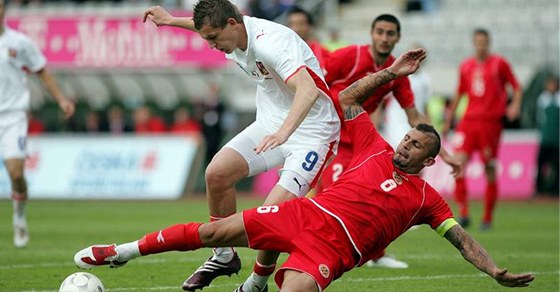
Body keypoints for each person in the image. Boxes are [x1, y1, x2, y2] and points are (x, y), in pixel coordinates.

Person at [74, 48, 535, 292]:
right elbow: (347, 98)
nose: (406, 144)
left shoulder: (427, 201)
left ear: (429, 161)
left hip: (333, 251)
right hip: (304, 215)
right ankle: (121, 251)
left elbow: (461, 240)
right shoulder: (374, 145)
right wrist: (392, 74)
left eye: (416, 146)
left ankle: (258, 283)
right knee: (215, 235)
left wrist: (492, 270)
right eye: (408, 137)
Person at [143, 1, 340, 291]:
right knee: (217, 174)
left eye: (213, 39)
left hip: (312, 134)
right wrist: (171, 20)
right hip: (272, 124)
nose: (211, 45)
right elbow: (207, 27)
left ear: (233, 25)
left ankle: (257, 283)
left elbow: (308, 89)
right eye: (207, 38)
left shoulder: (271, 43)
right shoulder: (232, 33)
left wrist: (285, 132)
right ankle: (224, 256)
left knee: (272, 213)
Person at [320, 14, 462, 269]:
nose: (384, 38)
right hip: (328, 135)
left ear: (398, 38)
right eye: (380, 32)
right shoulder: (350, 56)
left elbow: (414, 117)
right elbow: (315, 80)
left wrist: (444, 151)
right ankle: (322, 248)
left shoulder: (399, 73)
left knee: (374, 192)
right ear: (371, 34)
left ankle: (375, 253)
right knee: (334, 193)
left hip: (359, 138)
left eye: (390, 33)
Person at [0, 0, 75, 248]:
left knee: (16, 173)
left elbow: (41, 70)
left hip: (12, 116)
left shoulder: (19, 42)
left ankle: (19, 215)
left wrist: (62, 99)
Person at [442, 28, 523, 230]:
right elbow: (459, 92)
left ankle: (487, 218)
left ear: (488, 43)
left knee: (489, 168)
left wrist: (514, 105)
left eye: (484, 41)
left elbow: (516, 86)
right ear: (473, 43)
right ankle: (464, 213)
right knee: (458, 164)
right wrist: (449, 118)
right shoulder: (466, 66)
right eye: (477, 41)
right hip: (468, 121)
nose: (480, 45)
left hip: (490, 123)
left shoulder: (499, 64)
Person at [534, 75, 559, 196]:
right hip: (545, 138)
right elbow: (539, 118)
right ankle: (539, 188)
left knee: (557, 166)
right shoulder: (543, 99)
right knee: (541, 164)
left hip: (557, 139)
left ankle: (555, 189)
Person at [286, 6, 330, 70]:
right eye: (292, 24)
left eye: (300, 24)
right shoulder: (282, 52)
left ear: (309, 26)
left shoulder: (321, 51)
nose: (296, 29)